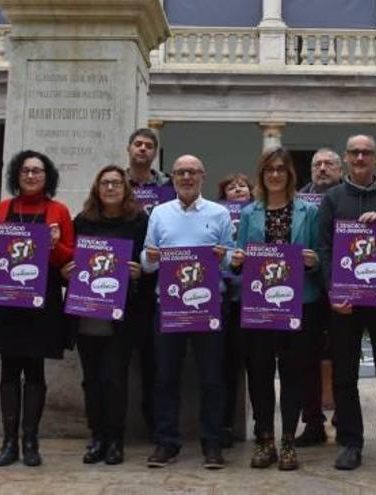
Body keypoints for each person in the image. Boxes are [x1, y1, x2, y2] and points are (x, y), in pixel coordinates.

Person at [0, 150, 75, 468]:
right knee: (9, 369)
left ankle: (31, 441)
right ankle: (9, 442)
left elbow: (67, 260)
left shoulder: (59, 210)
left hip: (41, 300)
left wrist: (54, 245)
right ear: (16, 176)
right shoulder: (2, 207)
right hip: (7, 299)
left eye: (37, 171)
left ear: (47, 176)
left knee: (35, 370)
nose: (31, 176)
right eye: (25, 171)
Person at [317, 134, 376, 472]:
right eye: (353, 152)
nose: (359, 158)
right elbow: (324, 248)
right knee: (344, 374)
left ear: (375, 157)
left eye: (365, 153)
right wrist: (332, 290)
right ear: (346, 157)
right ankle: (351, 442)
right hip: (345, 302)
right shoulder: (333, 198)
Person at [229, 147, 321, 471]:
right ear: (262, 174)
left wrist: (313, 261)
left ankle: (288, 441)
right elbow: (236, 255)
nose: (276, 174)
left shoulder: (308, 212)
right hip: (257, 305)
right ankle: (265, 438)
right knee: (260, 374)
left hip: (298, 303)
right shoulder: (250, 212)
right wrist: (236, 260)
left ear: (290, 174)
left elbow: (319, 252)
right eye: (269, 169)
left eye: (281, 169)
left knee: (294, 373)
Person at [141, 154, 234, 470]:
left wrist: (225, 257)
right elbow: (146, 261)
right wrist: (150, 256)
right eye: (180, 172)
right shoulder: (159, 213)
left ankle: (212, 443)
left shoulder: (219, 213)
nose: (186, 177)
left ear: (203, 176)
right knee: (166, 377)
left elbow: (232, 260)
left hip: (210, 306)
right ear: (174, 178)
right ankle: (166, 443)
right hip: (168, 305)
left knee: (212, 379)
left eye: (192, 172)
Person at [61, 165, 148, 465]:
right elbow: (69, 261)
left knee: (114, 379)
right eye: (104, 183)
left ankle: (115, 440)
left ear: (126, 188)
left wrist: (140, 272)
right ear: (96, 189)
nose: (110, 188)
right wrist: (65, 272)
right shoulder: (82, 221)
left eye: (116, 183)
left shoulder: (139, 222)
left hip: (121, 318)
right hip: (86, 315)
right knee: (92, 381)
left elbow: (150, 262)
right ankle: (96, 436)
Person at [295, 148, 344, 447]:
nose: (322, 168)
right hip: (309, 290)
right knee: (306, 358)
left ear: (340, 170)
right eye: (317, 164)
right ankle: (312, 421)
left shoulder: (351, 197)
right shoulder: (297, 201)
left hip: (346, 286)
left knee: (344, 354)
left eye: (329, 164)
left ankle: (345, 418)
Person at [125, 127, 169, 435]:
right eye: (138, 144)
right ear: (129, 149)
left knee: (156, 360)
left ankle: (155, 422)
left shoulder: (167, 186)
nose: (143, 149)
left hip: (158, 281)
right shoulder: (115, 182)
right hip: (120, 278)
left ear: (155, 152)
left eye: (149, 145)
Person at [217, 172, 254, 447]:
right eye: (232, 186)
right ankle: (226, 424)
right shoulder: (216, 216)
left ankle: (262, 425)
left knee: (258, 365)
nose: (238, 189)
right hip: (225, 298)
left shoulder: (258, 215)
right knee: (227, 366)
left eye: (242, 186)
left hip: (258, 297)